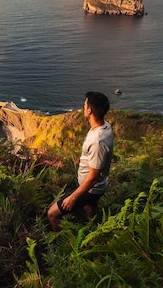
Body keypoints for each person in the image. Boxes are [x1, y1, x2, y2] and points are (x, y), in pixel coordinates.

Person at [47, 91, 114, 231]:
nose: (83, 107)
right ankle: (93, 230)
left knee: (52, 214)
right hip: (95, 186)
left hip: (90, 189)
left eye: (85, 104)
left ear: (89, 110)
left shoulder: (98, 141)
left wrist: (73, 198)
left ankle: (64, 243)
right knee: (89, 208)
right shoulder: (105, 126)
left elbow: (93, 177)